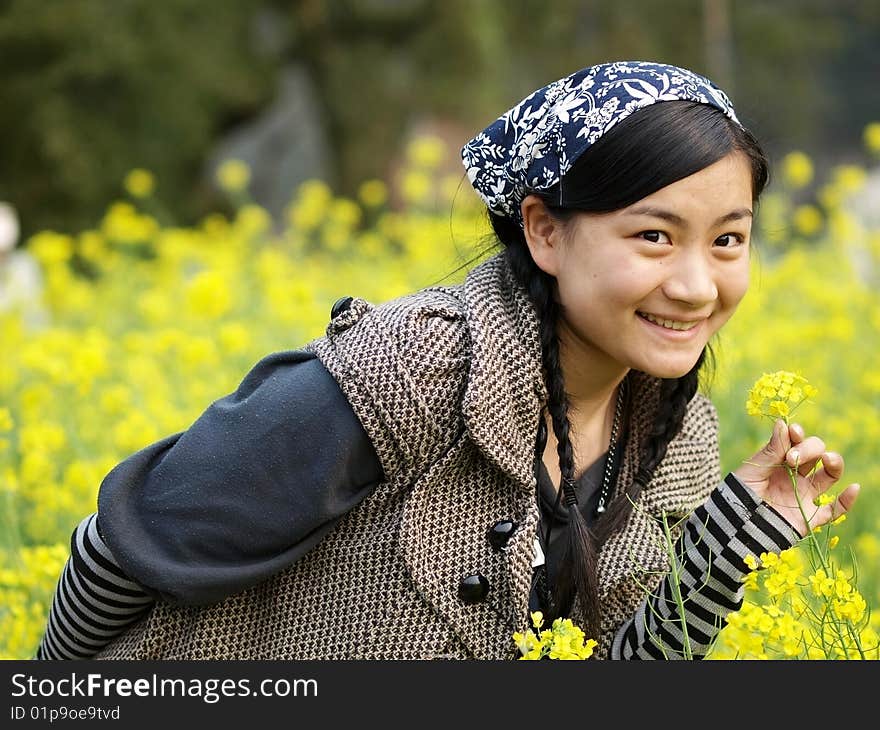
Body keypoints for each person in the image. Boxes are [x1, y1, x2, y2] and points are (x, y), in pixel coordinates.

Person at [35, 60, 859, 661]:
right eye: (653, 235)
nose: (695, 284)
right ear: (543, 231)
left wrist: (726, 545)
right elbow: (122, 549)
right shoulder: (410, 370)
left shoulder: (676, 440)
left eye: (728, 241)